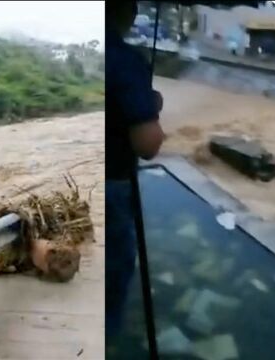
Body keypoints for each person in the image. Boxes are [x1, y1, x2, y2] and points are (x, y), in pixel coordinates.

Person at [105, 0, 165, 340]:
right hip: (112, 183)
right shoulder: (126, 63)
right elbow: (148, 144)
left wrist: (144, 103)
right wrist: (151, 110)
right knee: (116, 266)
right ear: (124, 11)